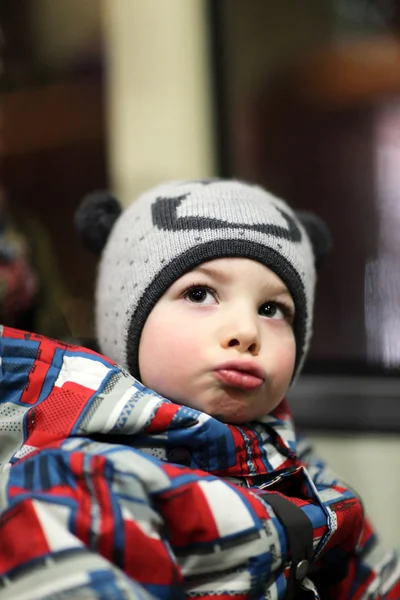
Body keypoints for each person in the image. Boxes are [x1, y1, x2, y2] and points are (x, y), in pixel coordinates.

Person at [0, 180, 398, 599]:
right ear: (126, 328)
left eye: (271, 309)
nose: (246, 331)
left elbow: (373, 577)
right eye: (200, 293)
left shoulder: (296, 464)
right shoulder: (79, 478)